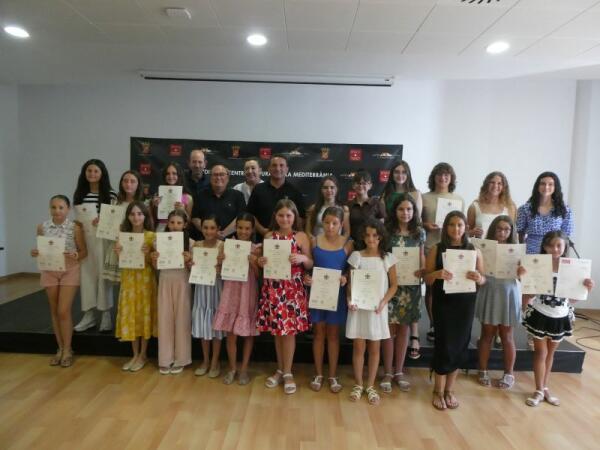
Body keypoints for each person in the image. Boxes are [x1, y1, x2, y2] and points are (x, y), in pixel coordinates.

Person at [520, 231, 594, 407]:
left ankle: (545, 388)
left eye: (559, 245)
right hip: (540, 314)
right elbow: (529, 292)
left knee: (550, 354)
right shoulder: (538, 265)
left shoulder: (572, 269)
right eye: (551, 245)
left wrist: (586, 288)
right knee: (541, 353)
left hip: (560, 316)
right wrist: (523, 277)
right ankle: (538, 389)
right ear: (544, 246)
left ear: (565, 247)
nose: (555, 249)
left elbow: (572, 299)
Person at [424, 211, 485, 410]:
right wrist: (437, 273)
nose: (455, 228)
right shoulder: (436, 249)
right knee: (444, 344)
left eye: (460, 225)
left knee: (460, 345)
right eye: (452, 224)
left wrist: (479, 278)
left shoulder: (474, 250)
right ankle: (438, 391)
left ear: (466, 227)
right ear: (446, 227)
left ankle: (450, 390)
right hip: (443, 304)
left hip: (465, 304)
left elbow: (483, 280)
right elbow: (426, 278)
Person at [257, 199, 313, 394]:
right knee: (277, 330)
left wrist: (303, 258)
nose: (284, 219)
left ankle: (288, 372)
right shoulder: (268, 236)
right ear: (275, 216)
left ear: (294, 216)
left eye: (288, 215)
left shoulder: (301, 237)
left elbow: (311, 263)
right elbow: (263, 262)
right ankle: (280, 369)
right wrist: (261, 261)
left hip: (292, 289)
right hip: (272, 287)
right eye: (280, 215)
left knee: (288, 332)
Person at [31, 195, 87, 367]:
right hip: (49, 271)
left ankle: (68, 349)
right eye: (54, 207)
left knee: (63, 310)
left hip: (69, 270)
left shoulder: (74, 228)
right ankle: (60, 348)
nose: (57, 211)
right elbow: (41, 249)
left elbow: (84, 251)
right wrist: (35, 253)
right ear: (50, 209)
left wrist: (75, 255)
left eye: (61, 207)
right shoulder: (42, 227)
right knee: (54, 311)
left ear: (68, 209)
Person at [346, 219, 397, 405]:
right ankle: (358, 384)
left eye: (375, 235)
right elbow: (351, 284)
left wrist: (384, 302)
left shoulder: (387, 258)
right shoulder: (356, 256)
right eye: (367, 235)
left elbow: (394, 285)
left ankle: (370, 386)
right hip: (359, 309)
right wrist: (350, 300)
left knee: (375, 349)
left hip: (377, 310)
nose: (371, 239)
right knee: (359, 347)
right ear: (362, 237)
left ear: (381, 237)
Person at [304, 206, 353, 393]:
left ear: (341, 224)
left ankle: (332, 375)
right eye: (327, 222)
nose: (330, 226)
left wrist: (345, 277)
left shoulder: (348, 243)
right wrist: (307, 277)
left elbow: (351, 269)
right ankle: (318, 373)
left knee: (333, 336)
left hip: (337, 295)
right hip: (317, 293)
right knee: (318, 334)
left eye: (334, 223)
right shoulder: (314, 241)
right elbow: (308, 265)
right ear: (322, 223)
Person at [380, 194, 425, 393]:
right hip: (391, 285)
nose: (405, 213)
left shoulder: (419, 233)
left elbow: (422, 256)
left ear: (414, 212)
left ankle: (399, 371)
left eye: (409, 209)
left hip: (411, 286)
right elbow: (382, 257)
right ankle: (387, 372)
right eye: (401, 209)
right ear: (394, 211)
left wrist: (423, 271)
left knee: (404, 330)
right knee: (389, 331)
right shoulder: (387, 232)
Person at [213, 213, 261, 386]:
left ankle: (244, 369)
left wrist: (254, 262)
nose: (243, 231)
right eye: (240, 227)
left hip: (248, 291)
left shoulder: (257, 248)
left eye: (247, 228)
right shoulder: (226, 246)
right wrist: (220, 261)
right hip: (231, 290)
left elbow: (258, 275)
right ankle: (232, 368)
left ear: (252, 230)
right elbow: (218, 272)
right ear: (236, 228)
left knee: (247, 333)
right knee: (230, 332)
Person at [475, 216, 521, 389]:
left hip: (508, 292)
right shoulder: (483, 247)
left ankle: (509, 373)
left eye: (506, 229)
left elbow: (523, 277)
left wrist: (522, 271)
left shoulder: (517, 250)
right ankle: (483, 370)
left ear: (511, 231)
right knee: (486, 335)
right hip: (489, 289)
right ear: (493, 229)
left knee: (507, 336)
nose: (502, 232)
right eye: (499, 229)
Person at [421, 162, 464, 342]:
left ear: (451, 178)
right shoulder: (424, 197)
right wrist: (425, 225)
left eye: (446, 174)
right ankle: (433, 324)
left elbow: (461, 225)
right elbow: (415, 221)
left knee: (449, 287)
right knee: (431, 288)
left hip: (452, 249)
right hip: (430, 246)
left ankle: (447, 323)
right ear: (434, 177)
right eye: (439, 174)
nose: (443, 177)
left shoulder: (458, 199)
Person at [73, 159, 117, 332]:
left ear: (102, 174)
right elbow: (77, 221)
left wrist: (103, 220)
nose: (92, 174)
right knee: (87, 277)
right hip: (85, 241)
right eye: (89, 171)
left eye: (95, 171)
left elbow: (114, 220)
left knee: (103, 277)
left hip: (103, 240)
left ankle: (106, 314)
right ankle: (89, 314)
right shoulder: (80, 194)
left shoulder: (111, 194)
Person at [114, 201, 157, 372]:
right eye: (132, 214)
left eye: (139, 214)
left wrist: (148, 255)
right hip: (129, 280)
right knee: (131, 315)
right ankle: (134, 354)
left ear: (145, 216)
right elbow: (121, 262)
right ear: (128, 217)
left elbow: (155, 265)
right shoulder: (122, 236)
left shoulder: (151, 236)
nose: (136, 217)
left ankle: (143, 354)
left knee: (143, 315)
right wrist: (118, 253)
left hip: (145, 281)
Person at [151, 209, 192, 375]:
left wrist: (189, 260)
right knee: (165, 318)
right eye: (172, 222)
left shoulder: (191, 243)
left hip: (182, 281)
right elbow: (155, 267)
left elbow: (194, 269)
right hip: (165, 280)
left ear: (184, 225)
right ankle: (165, 359)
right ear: (167, 224)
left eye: (179, 223)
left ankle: (181, 358)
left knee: (182, 320)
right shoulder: (157, 242)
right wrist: (154, 259)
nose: (175, 226)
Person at [191, 216, 224, 378]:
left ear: (218, 229)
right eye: (205, 227)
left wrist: (221, 266)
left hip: (216, 287)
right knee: (203, 323)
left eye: (212, 228)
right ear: (201, 228)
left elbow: (228, 268)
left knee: (215, 325)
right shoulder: (196, 245)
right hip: (201, 287)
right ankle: (205, 360)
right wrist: (191, 265)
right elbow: (191, 267)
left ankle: (215, 361)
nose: (209, 231)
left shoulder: (222, 246)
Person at [247, 155, 306, 238]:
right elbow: (250, 214)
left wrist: (287, 233)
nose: (278, 169)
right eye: (274, 165)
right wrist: (263, 231)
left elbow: (301, 218)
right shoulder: (258, 189)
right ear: (269, 169)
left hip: (288, 239)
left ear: (287, 169)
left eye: (281, 165)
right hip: (262, 238)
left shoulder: (294, 191)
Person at [516, 171, 574, 255]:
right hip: (531, 253)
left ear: (555, 187)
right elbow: (520, 233)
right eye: (543, 184)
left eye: (550, 184)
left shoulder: (564, 209)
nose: (546, 187)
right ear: (537, 186)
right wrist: (521, 253)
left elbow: (566, 236)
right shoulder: (525, 209)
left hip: (554, 253)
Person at [102, 170, 144, 283]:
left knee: (136, 283)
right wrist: (101, 221)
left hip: (136, 248)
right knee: (121, 287)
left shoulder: (144, 203)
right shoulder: (114, 202)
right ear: (121, 183)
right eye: (125, 181)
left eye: (132, 181)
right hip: (118, 247)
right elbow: (108, 226)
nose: (128, 184)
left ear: (138, 184)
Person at [191, 165, 245, 239]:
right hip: (206, 241)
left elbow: (240, 218)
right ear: (210, 178)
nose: (218, 177)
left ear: (228, 178)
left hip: (231, 241)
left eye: (222, 174)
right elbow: (195, 218)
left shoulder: (238, 196)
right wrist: (210, 232)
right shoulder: (200, 195)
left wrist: (223, 234)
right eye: (215, 175)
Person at [467, 171, 516, 238]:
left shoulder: (510, 207)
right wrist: (472, 232)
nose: (495, 186)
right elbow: (466, 233)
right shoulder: (474, 207)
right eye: (492, 182)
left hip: (502, 247)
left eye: (499, 183)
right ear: (486, 184)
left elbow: (513, 233)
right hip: (480, 247)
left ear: (504, 187)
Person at [152, 162, 194, 232]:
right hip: (162, 228)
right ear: (164, 176)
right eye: (168, 174)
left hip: (179, 229)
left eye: (174, 173)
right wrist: (155, 206)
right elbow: (153, 219)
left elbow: (189, 221)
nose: (171, 176)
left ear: (179, 175)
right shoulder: (158, 195)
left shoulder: (188, 198)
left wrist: (183, 211)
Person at [347, 170, 385, 244]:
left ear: (370, 185)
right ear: (353, 185)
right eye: (358, 183)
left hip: (372, 244)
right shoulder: (348, 205)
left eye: (364, 183)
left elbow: (381, 229)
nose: (361, 186)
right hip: (354, 245)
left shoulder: (377, 204)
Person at [185, 149, 209, 240]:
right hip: (185, 228)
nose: (197, 165)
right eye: (194, 162)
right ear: (189, 163)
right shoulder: (181, 181)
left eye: (200, 162)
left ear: (205, 163)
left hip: (205, 230)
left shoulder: (211, 182)